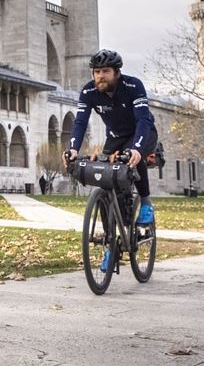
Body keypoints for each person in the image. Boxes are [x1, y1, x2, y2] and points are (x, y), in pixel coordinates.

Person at [64, 49, 158, 272]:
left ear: (117, 72)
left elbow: (143, 119)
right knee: (106, 183)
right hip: (115, 137)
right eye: (97, 72)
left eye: (105, 71)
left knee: (134, 159)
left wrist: (137, 149)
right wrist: (73, 149)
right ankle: (110, 246)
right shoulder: (89, 91)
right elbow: (80, 122)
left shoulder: (133, 86)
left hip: (141, 133)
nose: (100, 76)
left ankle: (145, 204)